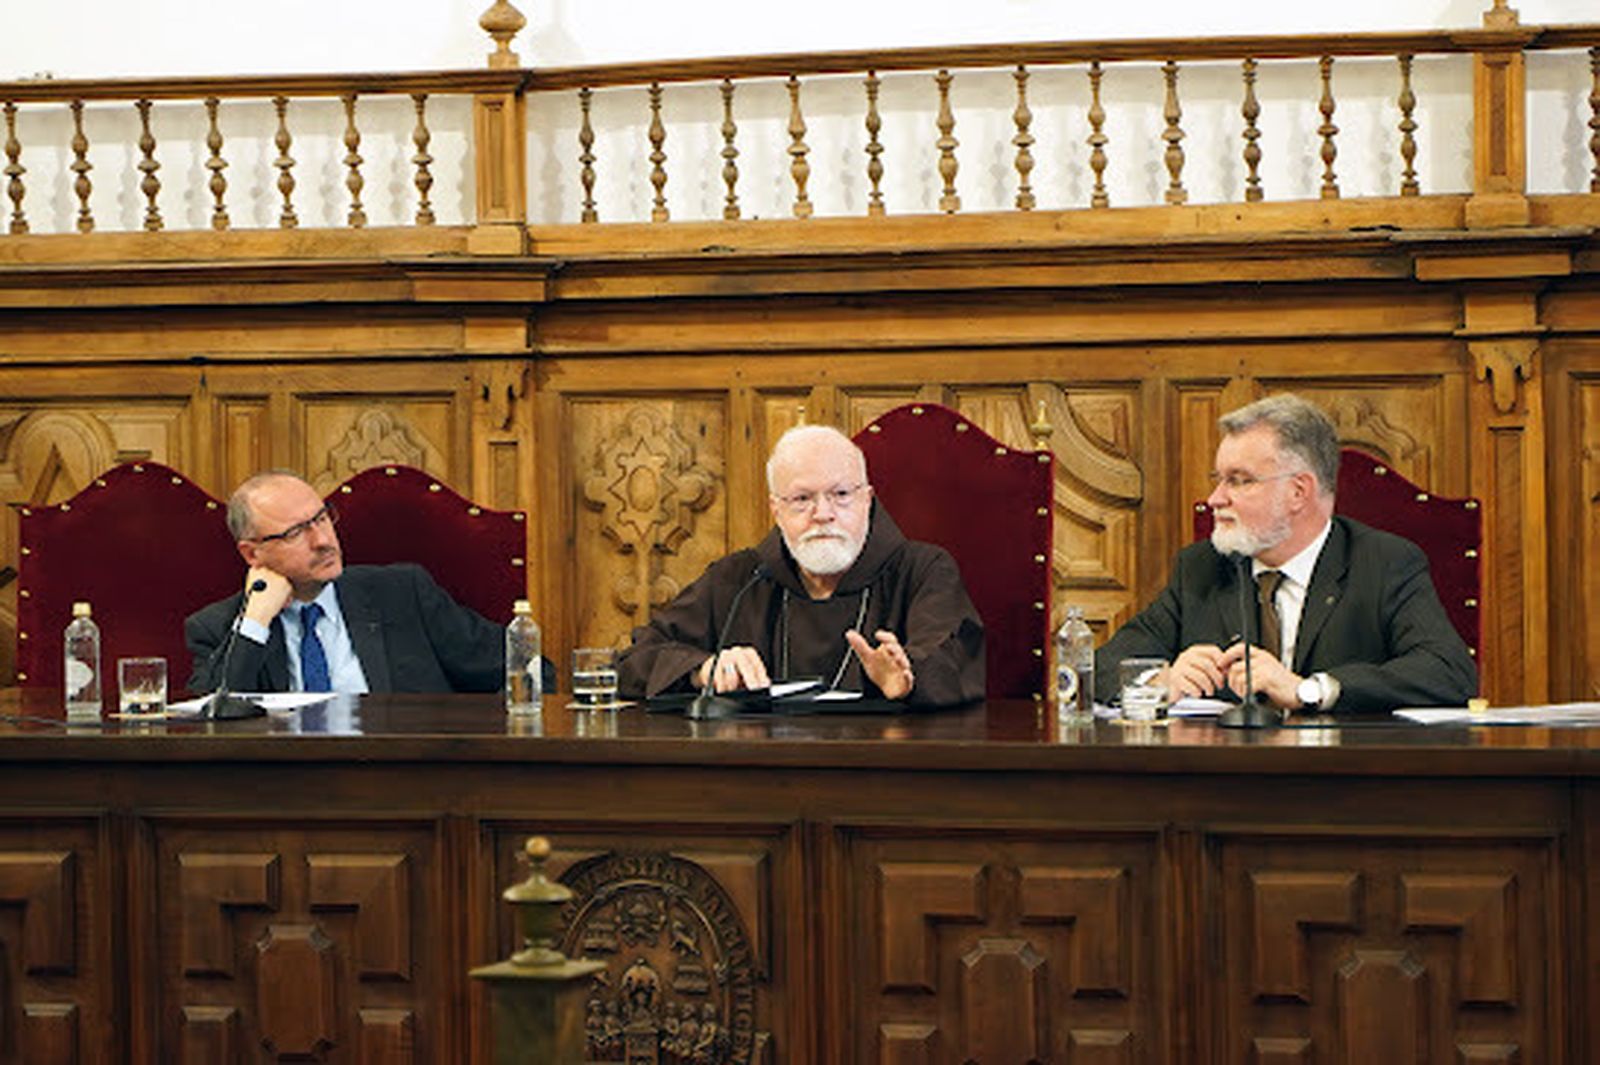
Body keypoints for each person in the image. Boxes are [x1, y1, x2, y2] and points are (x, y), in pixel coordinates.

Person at [1095, 394, 1477, 713]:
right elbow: (1102, 668)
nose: (1215, 500)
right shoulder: (1202, 567)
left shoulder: (1384, 563)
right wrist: (1159, 681)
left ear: (1298, 492)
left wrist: (1308, 690)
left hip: (1346, 786)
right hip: (1219, 786)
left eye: (1239, 481)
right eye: (1219, 480)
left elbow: (1449, 673)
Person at [617, 424, 985, 707]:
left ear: (867, 500)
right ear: (776, 510)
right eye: (802, 499)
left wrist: (908, 677)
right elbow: (634, 660)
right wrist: (703, 670)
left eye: (841, 495)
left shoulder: (922, 571)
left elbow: (953, 656)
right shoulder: (741, 577)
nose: (823, 514)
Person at [186, 470, 541, 695]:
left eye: (322, 519)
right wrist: (256, 621)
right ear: (252, 555)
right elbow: (209, 724)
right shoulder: (219, 627)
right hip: (284, 796)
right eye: (296, 533)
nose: (323, 540)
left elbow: (526, 666)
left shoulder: (403, 594)